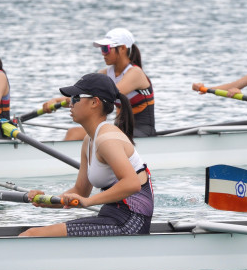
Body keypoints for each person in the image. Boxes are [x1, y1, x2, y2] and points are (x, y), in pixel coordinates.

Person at [20, 73, 154, 237]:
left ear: (94, 102)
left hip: (131, 222)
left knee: (30, 235)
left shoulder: (107, 139)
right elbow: (80, 191)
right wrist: (45, 200)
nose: (70, 103)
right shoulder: (89, 141)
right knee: (31, 233)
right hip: (112, 216)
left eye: (76, 97)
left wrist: (89, 202)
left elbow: (132, 184)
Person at [55, 27, 156, 140]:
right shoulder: (104, 74)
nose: (103, 53)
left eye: (106, 48)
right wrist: (55, 102)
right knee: (73, 133)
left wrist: (62, 101)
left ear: (122, 48)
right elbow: (86, 98)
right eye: (102, 49)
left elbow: (103, 95)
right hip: (119, 129)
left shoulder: (135, 73)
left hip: (142, 131)